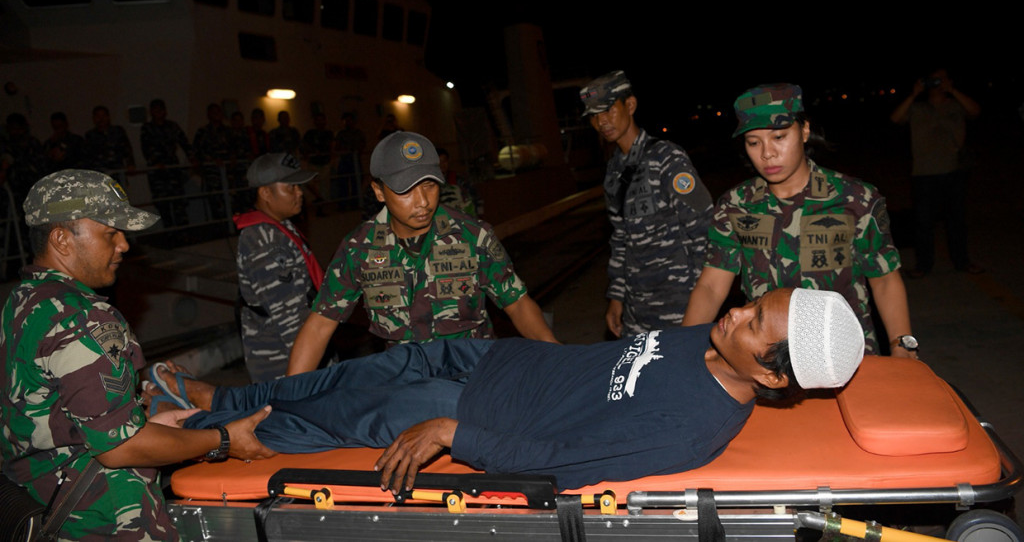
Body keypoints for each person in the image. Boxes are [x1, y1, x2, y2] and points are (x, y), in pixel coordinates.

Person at [170, 286, 864, 493]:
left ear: (771, 375)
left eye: (754, 322)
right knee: (356, 372)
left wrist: (455, 435)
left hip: (474, 409)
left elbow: (562, 464)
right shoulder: (708, 342)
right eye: (753, 302)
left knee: (345, 415)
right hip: (498, 358)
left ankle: (203, 438)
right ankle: (223, 400)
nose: (737, 311)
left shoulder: (690, 429)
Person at [0, 169, 274, 540]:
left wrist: (146, 425)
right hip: (105, 522)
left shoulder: (22, 302)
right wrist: (223, 440)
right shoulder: (83, 316)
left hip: (47, 507)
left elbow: (60, 416)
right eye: (110, 233)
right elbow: (120, 446)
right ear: (62, 239)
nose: (124, 245)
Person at [287, 131, 558, 374]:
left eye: (430, 185)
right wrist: (287, 394)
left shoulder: (472, 236)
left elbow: (517, 303)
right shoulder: (359, 248)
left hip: (474, 376)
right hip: (407, 384)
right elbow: (320, 324)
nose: (423, 202)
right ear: (379, 191)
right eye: (405, 190)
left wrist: (559, 360)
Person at [683, 83, 916, 358]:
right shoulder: (736, 205)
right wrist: (681, 349)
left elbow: (885, 279)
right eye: (754, 142)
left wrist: (902, 345)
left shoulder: (856, 199)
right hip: (764, 359)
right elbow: (711, 287)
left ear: (804, 130)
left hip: (843, 354)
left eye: (779, 137)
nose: (767, 153)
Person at [579, 70, 714, 337]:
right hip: (637, 309)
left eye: (608, 110)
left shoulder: (667, 158)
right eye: (593, 116)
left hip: (680, 303)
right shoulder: (614, 171)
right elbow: (621, 239)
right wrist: (616, 296)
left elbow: (705, 228)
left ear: (630, 105)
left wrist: (702, 301)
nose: (601, 121)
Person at [233, 153, 324, 382]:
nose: (299, 192)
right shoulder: (264, 242)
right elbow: (290, 318)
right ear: (265, 193)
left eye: (298, 186)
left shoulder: (278, 227)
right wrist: (315, 368)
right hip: (284, 361)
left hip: (300, 351)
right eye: (291, 187)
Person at [889, 67, 983, 277]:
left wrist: (953, 90)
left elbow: (975, 111)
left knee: (956, 220)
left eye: (941, 80)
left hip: (954, 170)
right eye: (933, 80)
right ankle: (923, 265)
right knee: (923, 221)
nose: (936, 84)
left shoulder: (955, 105)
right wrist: (914, 94)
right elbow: (895, 118)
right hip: (923, 172)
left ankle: (962, 261)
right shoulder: (917, 107)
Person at [140, 98, 193, 228]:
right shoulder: (147, 128)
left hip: (173, 170)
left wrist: (193, 158)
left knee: (178, 203)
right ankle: (169, 232)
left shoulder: (172, 126)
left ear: (165, 111)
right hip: (157, 173)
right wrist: (156, 163)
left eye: (160, 109)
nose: (158, 112)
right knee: (163, 204)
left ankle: (183, 231)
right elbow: (146, 149)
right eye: (155, 110)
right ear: (151, 112)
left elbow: (185, 143)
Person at [192, 102, 232, 220]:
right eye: (213, 112)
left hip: (227, 173)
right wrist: (211, 160)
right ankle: (218, 224)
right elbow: (196, 151)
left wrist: (232, 158)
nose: (216, 114)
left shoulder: (228, 131)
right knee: (215, 201)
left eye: (218, 112)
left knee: (230, 200)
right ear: (208, 115)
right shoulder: (203, 131)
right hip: (212, 174)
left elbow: (235, 148)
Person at [84, 104, 136, 175]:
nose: (101, 119)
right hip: (99, 173)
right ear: (94, 118)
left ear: (108, 117)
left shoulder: (117, 131)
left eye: (103, 116)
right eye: (98, 116)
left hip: (117, 170)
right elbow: (87, 156)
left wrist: (130, 164)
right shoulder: (90, 135)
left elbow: (127, 150)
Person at [437, 146, 482, 217]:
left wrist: (479, 214)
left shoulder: (458, 179)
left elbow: (475, 196)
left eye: (444, 161)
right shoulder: (432, 183)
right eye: (440, 162)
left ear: (448, 162)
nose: (442, 164)